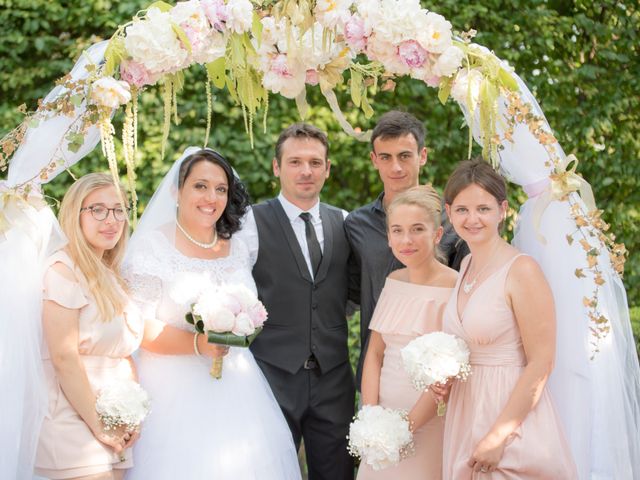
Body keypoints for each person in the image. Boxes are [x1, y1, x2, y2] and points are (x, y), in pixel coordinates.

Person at [122, 148, 300, 479]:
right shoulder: (152, 248)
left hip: (238, 387)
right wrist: (198, 345)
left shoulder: (238, 247)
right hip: (171, 391)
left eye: (221, 189)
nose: (212, 197)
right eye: (200, 186)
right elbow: (136, 328)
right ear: (177, 191)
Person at [440, 160, 577, 478]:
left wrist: (499, 436)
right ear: (449, 213)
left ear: (502, 210)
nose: (472, 219)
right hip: (466, 410)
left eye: (483, 209)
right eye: (462, 210)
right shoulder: (465, 266)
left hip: (509, 417)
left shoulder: (522, 270)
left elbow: (542, 361)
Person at [238, 123, 355, 479]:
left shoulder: (345, 222)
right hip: (272, 374)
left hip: (334, 378)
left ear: (327, 168)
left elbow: (348, 292)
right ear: (277, 167)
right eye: (295, 162)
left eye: (315, 162)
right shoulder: (249, 223)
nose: (306, 171)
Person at [344, 110, 468, 388]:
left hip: (439, 372)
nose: (396, 168)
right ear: (374, 160)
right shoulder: (356, 225)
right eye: (386, 157)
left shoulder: (454, 222)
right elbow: (346, 295)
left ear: (422, 156)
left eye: (405, 156)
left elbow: (469, 298)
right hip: (378, 367)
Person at [34, 173, 143, 479]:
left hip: (113, 419)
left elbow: (123, 354)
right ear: (74, 215)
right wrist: (99, 425)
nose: (111, 219)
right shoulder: (62, 271)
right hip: (71, 419)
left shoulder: (111, 276)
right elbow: (63, 357)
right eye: (97, 209)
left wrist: (132, 415)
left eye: (119, 209)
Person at [357, 185, 457, 480]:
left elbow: (446, 374)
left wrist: (404, 430)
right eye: (397, 230)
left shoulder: (453, 288)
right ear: (388, 237)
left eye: (417, 229)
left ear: (437, 235)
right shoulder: (393, 279)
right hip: (383, 418)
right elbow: (375, 353)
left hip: (426, 421)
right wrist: (371, 416)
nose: (406, 240)